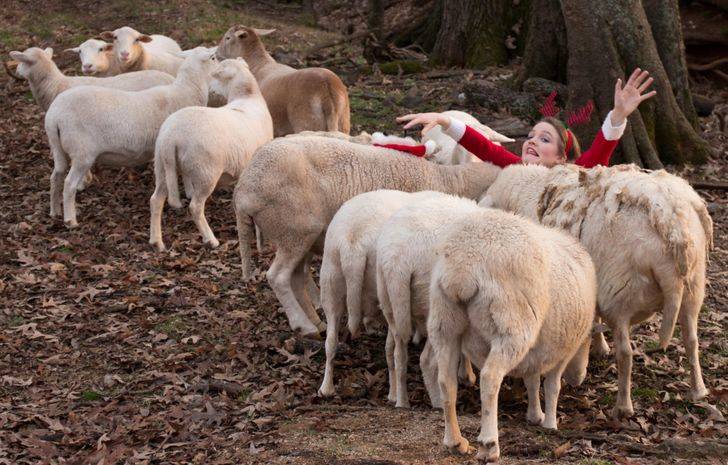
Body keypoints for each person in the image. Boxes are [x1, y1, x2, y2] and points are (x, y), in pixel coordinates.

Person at [396, 68, 657, 168]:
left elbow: (599, 154)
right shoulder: (516, 170)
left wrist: (618, 115)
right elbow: (484, 147)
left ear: (560, 157)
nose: (531, 141)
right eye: (531, 136)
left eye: (544, 139)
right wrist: (444, 121)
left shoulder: (571, 175)